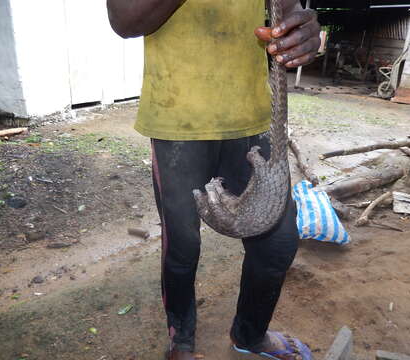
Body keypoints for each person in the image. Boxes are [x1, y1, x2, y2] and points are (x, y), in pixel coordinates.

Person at [106, 1, 320, 359]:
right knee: (182, 246)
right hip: (177, 122)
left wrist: (301, 31)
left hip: (252, 118)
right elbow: (124, 20)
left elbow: (288, 9)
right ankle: (182, 341)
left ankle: (249, 336)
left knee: (278, 242)